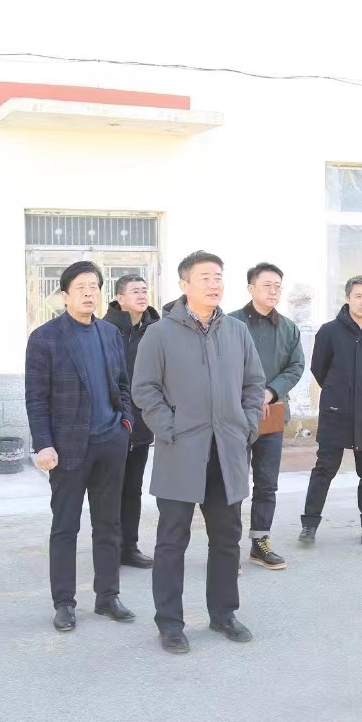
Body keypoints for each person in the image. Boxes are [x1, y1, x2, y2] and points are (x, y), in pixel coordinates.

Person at [132, 251, 265, 654]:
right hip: (181, 451)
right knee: (172, 542)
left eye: (218, 276)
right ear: (184, 284)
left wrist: (246, 425)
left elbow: (254, 384)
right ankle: (170, 623)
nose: (213, 284)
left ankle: (223, 614)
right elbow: (144, 389)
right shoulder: (160, 334)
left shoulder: (237, 331)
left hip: (227, 451)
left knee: (227, 538)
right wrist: (169, 427)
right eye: (205, 277)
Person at [25, 261, 136, 632]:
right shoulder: (45, 338)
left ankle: (107, 596)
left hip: (110, 442)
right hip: (68, 449)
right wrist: (44, 444)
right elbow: (36, 398)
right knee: (65, 527)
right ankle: (64, 603)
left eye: (94, 287)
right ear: (64, 295)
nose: (89, 293)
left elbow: (122, 383)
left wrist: (125, 424)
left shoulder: (109, 333)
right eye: (81, 288)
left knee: (108, 524)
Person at [299, 276, 362, 547]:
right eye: (358, 296)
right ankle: (309, 525)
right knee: (324, 469)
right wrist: (338, 390)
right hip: (336, 411)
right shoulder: (330, 331)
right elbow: (319, 368)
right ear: (347, 298)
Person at [228, 262, 305, 570]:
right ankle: (226, 547)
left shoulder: (288, 328)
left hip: (271, 417)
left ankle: (260, 542)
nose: (273, 291)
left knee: (266, 482)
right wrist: (248, 395)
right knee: (232, 483)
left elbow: (296, 367)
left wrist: (270, 392)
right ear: (251, 288)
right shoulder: (229, 323)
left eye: (277, 286)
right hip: (234, 416)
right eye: (267, 285)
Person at [102, 274, 160, 569]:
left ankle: (129, 546)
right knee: (110, 489)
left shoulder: (156, 329)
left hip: (143, 421)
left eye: (144, 290)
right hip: (112, 422)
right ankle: (109, 548)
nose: (141, 295)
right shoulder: (104, 329)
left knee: (133, 487)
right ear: (120, 298)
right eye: (134, 291)